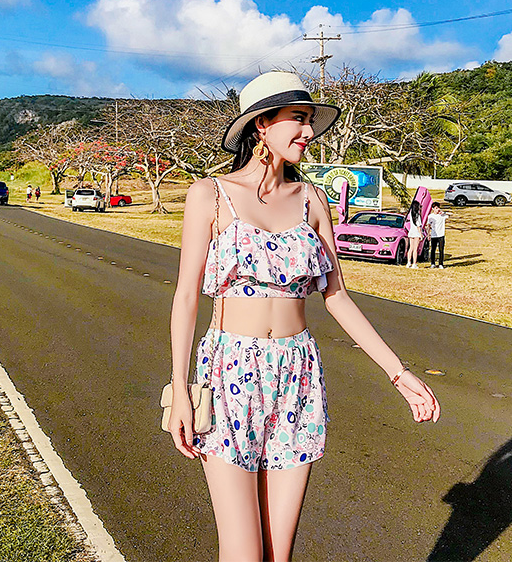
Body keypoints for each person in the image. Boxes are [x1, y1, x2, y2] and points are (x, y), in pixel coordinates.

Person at [167, 71, 440, 562]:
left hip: (298, 373)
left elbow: (336, 296)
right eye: (298, 119)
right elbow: (186, 297)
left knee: (278, 554)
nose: (309, 132)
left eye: (310, 120)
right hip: (230, 371)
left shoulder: (312, 200)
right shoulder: (210, 194)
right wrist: (181, 390)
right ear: (261, 125)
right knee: (244, 552)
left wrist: (397, 373)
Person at [427, 202, 450, 269]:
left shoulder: (442, 216)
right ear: (433, 209)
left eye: (438, 208)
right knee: (433, 250)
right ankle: (433, 263)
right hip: (434, 235)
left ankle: (441, 264)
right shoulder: (430, 216)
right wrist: (428, 234)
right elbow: (428, 225)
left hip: (441, 235)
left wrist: (444, 213)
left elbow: (451, 215)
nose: (437, 209)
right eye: (436, 208)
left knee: (441, 249)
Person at [405, 199, 424, 269]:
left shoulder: (410, 214)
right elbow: (419, 226)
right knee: (415, 249)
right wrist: (421, 234)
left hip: (411, 232)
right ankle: (414, 263)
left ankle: (408, 262)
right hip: (416, 233)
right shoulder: (417, 215)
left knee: (411, 248)